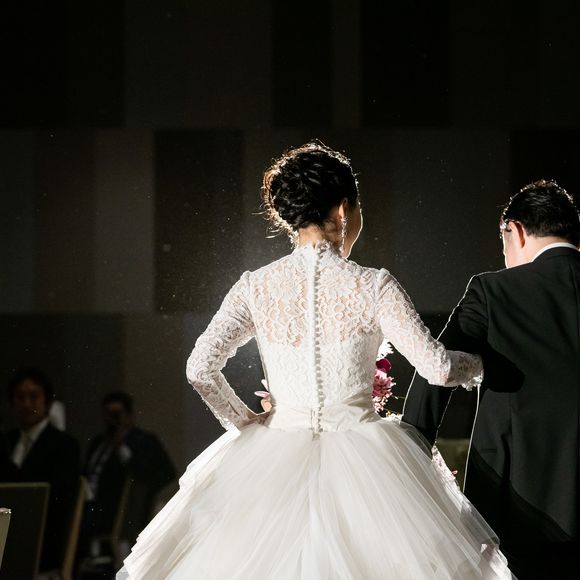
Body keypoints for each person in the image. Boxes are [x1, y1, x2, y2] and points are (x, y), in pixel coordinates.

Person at [118, 143, 513, 579]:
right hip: (368, 466)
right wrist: (480, 365)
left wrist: (246, 423)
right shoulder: (373, 285)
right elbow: (438, 367)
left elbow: (199, 368)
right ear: (344, 210)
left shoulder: (255, 286)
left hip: (273, 458)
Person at [402, 179, 580, 579]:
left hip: (521, 500)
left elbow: (436, 369)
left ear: (515, 231)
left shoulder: (494, 290)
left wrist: (410, 452)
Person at [80, 391, 176, 563]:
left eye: (117, 414)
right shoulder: (98, 442)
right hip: (90, 504)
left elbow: (165, 472)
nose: (112, 419)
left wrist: (142, 493)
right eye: (108, 414)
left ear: (130, 416)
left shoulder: (142, 441)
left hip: (120, 510)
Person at [2, 367, 81, 572]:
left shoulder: (64, 445)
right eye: (20, 397)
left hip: (42, 543)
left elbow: (58, 502)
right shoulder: (7, 441)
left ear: (47, 402)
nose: (26, 404)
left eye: (33, 396)